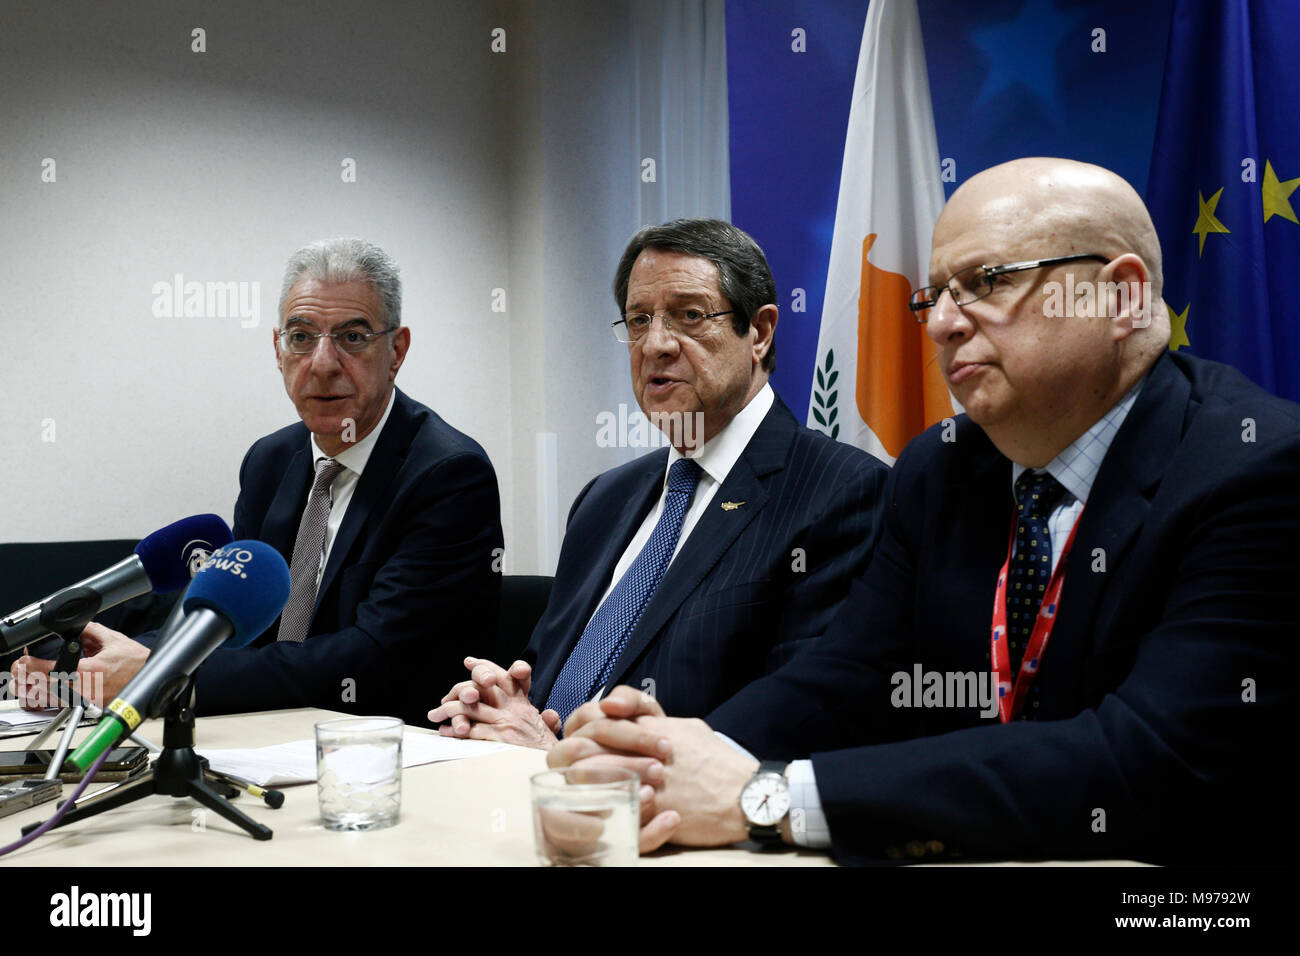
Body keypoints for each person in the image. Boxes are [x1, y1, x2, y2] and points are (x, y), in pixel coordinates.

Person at [549, 159, 1300, 864]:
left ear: (1123, 294)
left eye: (985, 281)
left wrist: (769, 798)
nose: (941, 323)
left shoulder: (1257, 467)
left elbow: (1149, 760)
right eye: (932, 295)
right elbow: (849, 674)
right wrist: (670, 757)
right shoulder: (941, 467)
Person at [430, 219, 887, 749]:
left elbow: (805, 716)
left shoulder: (842, 492)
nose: (656, 345)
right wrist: (505, 704)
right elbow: (547, 669)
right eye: (639, 320)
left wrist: (565, 759)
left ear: (759, 333)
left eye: (690, 316)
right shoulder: (605, 497)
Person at [11, 238, 503, 727]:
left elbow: (371, 659)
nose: (323, 363)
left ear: (396, 350)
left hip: (392, 752)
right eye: (301, 337)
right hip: (269, 737)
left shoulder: (448, 475)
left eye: (352, 337)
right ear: (277, 348)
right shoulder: (272, 459)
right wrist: (79, 675)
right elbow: (230, 627)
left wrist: (160, 675)